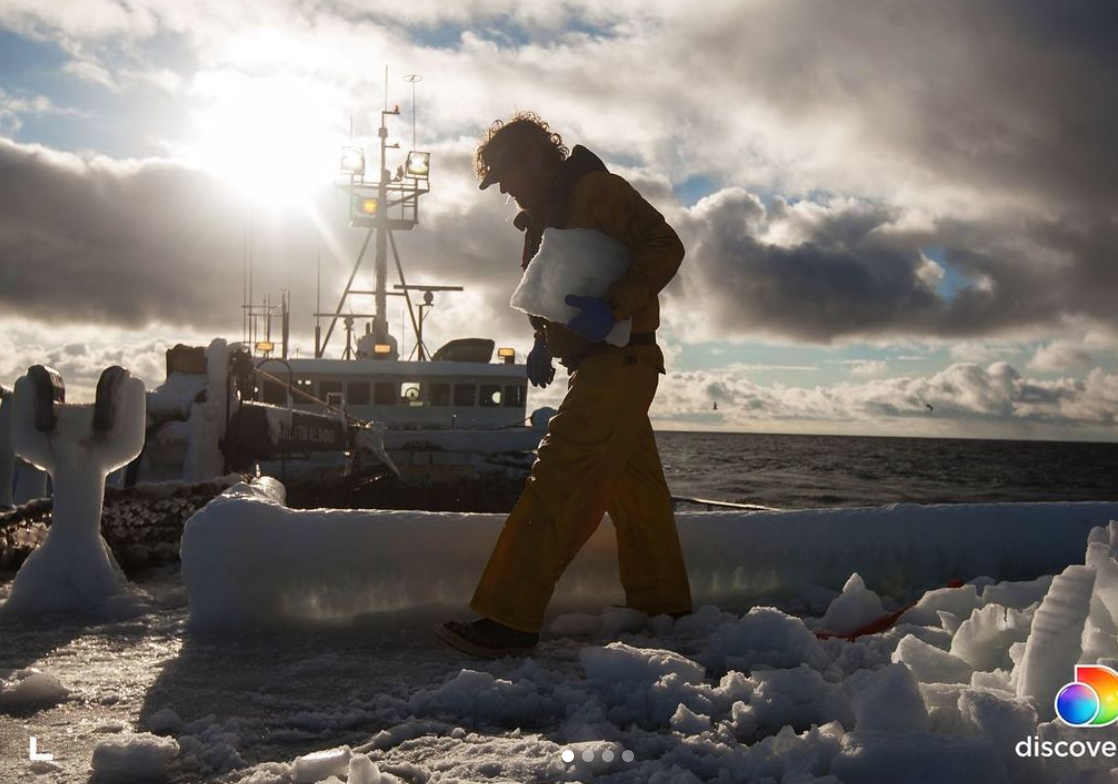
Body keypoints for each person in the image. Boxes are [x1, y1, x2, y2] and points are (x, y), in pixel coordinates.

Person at [436, 112, 692, 658]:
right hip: (600, 365)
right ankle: (666, 612)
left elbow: (664, 245)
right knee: (639, 501)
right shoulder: (541, 219)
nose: (504, 189)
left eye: (506, 174)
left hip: (619, 362)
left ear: (536, 156)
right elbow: (550, 290)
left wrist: (615, 306)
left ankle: (510, 617)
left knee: (559, 479)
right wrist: (541, 341)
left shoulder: (597, 192)